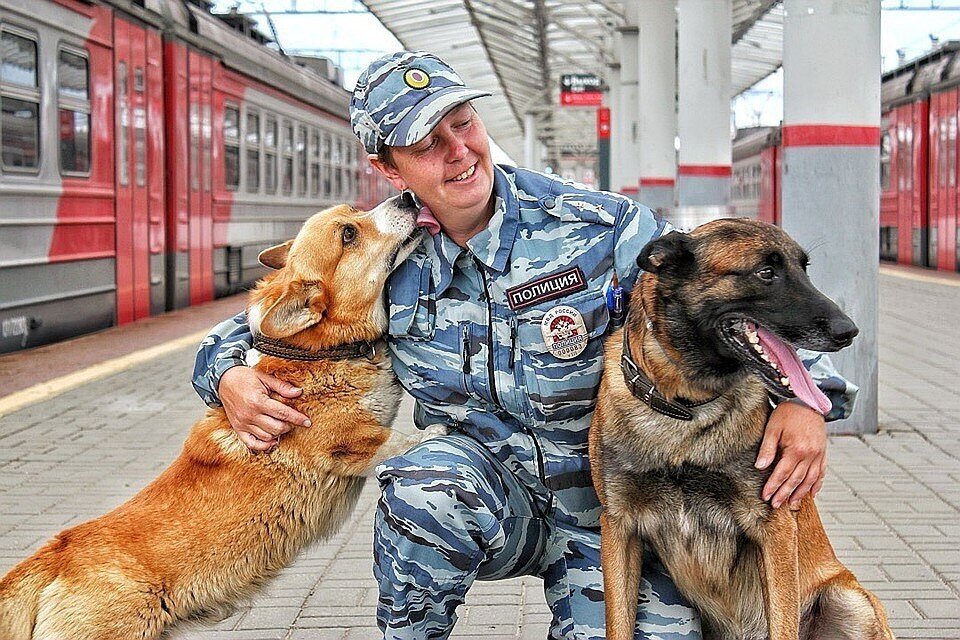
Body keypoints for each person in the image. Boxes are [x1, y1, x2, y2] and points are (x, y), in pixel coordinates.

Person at [192, 51, 858, 640]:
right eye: (426, 142)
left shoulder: (598, 228)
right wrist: (228, 376)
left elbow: (728, 289)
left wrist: (808, 401)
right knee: (424, 487)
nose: (458, 150)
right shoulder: (386, 259)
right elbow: (262, 321)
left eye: (463, 123)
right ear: (386, 166)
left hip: (616, 515)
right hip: (492, 498)